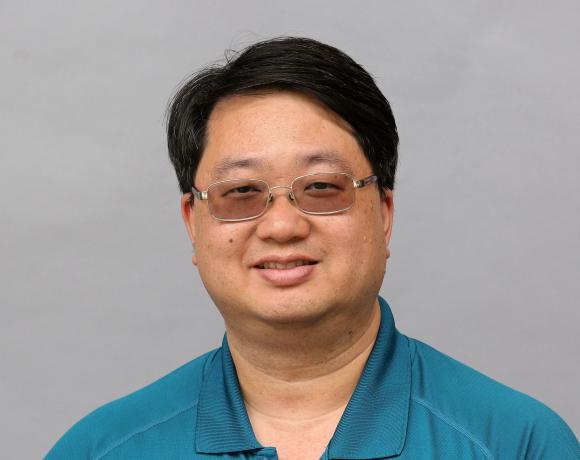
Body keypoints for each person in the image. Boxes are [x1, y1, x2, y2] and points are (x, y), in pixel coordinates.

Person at [46, 37, 578, 460]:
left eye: (322, 187)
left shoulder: (516, 443)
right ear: (193, 222)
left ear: (384, 213)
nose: (282, 226)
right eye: (241, 191)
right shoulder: (101, 448)